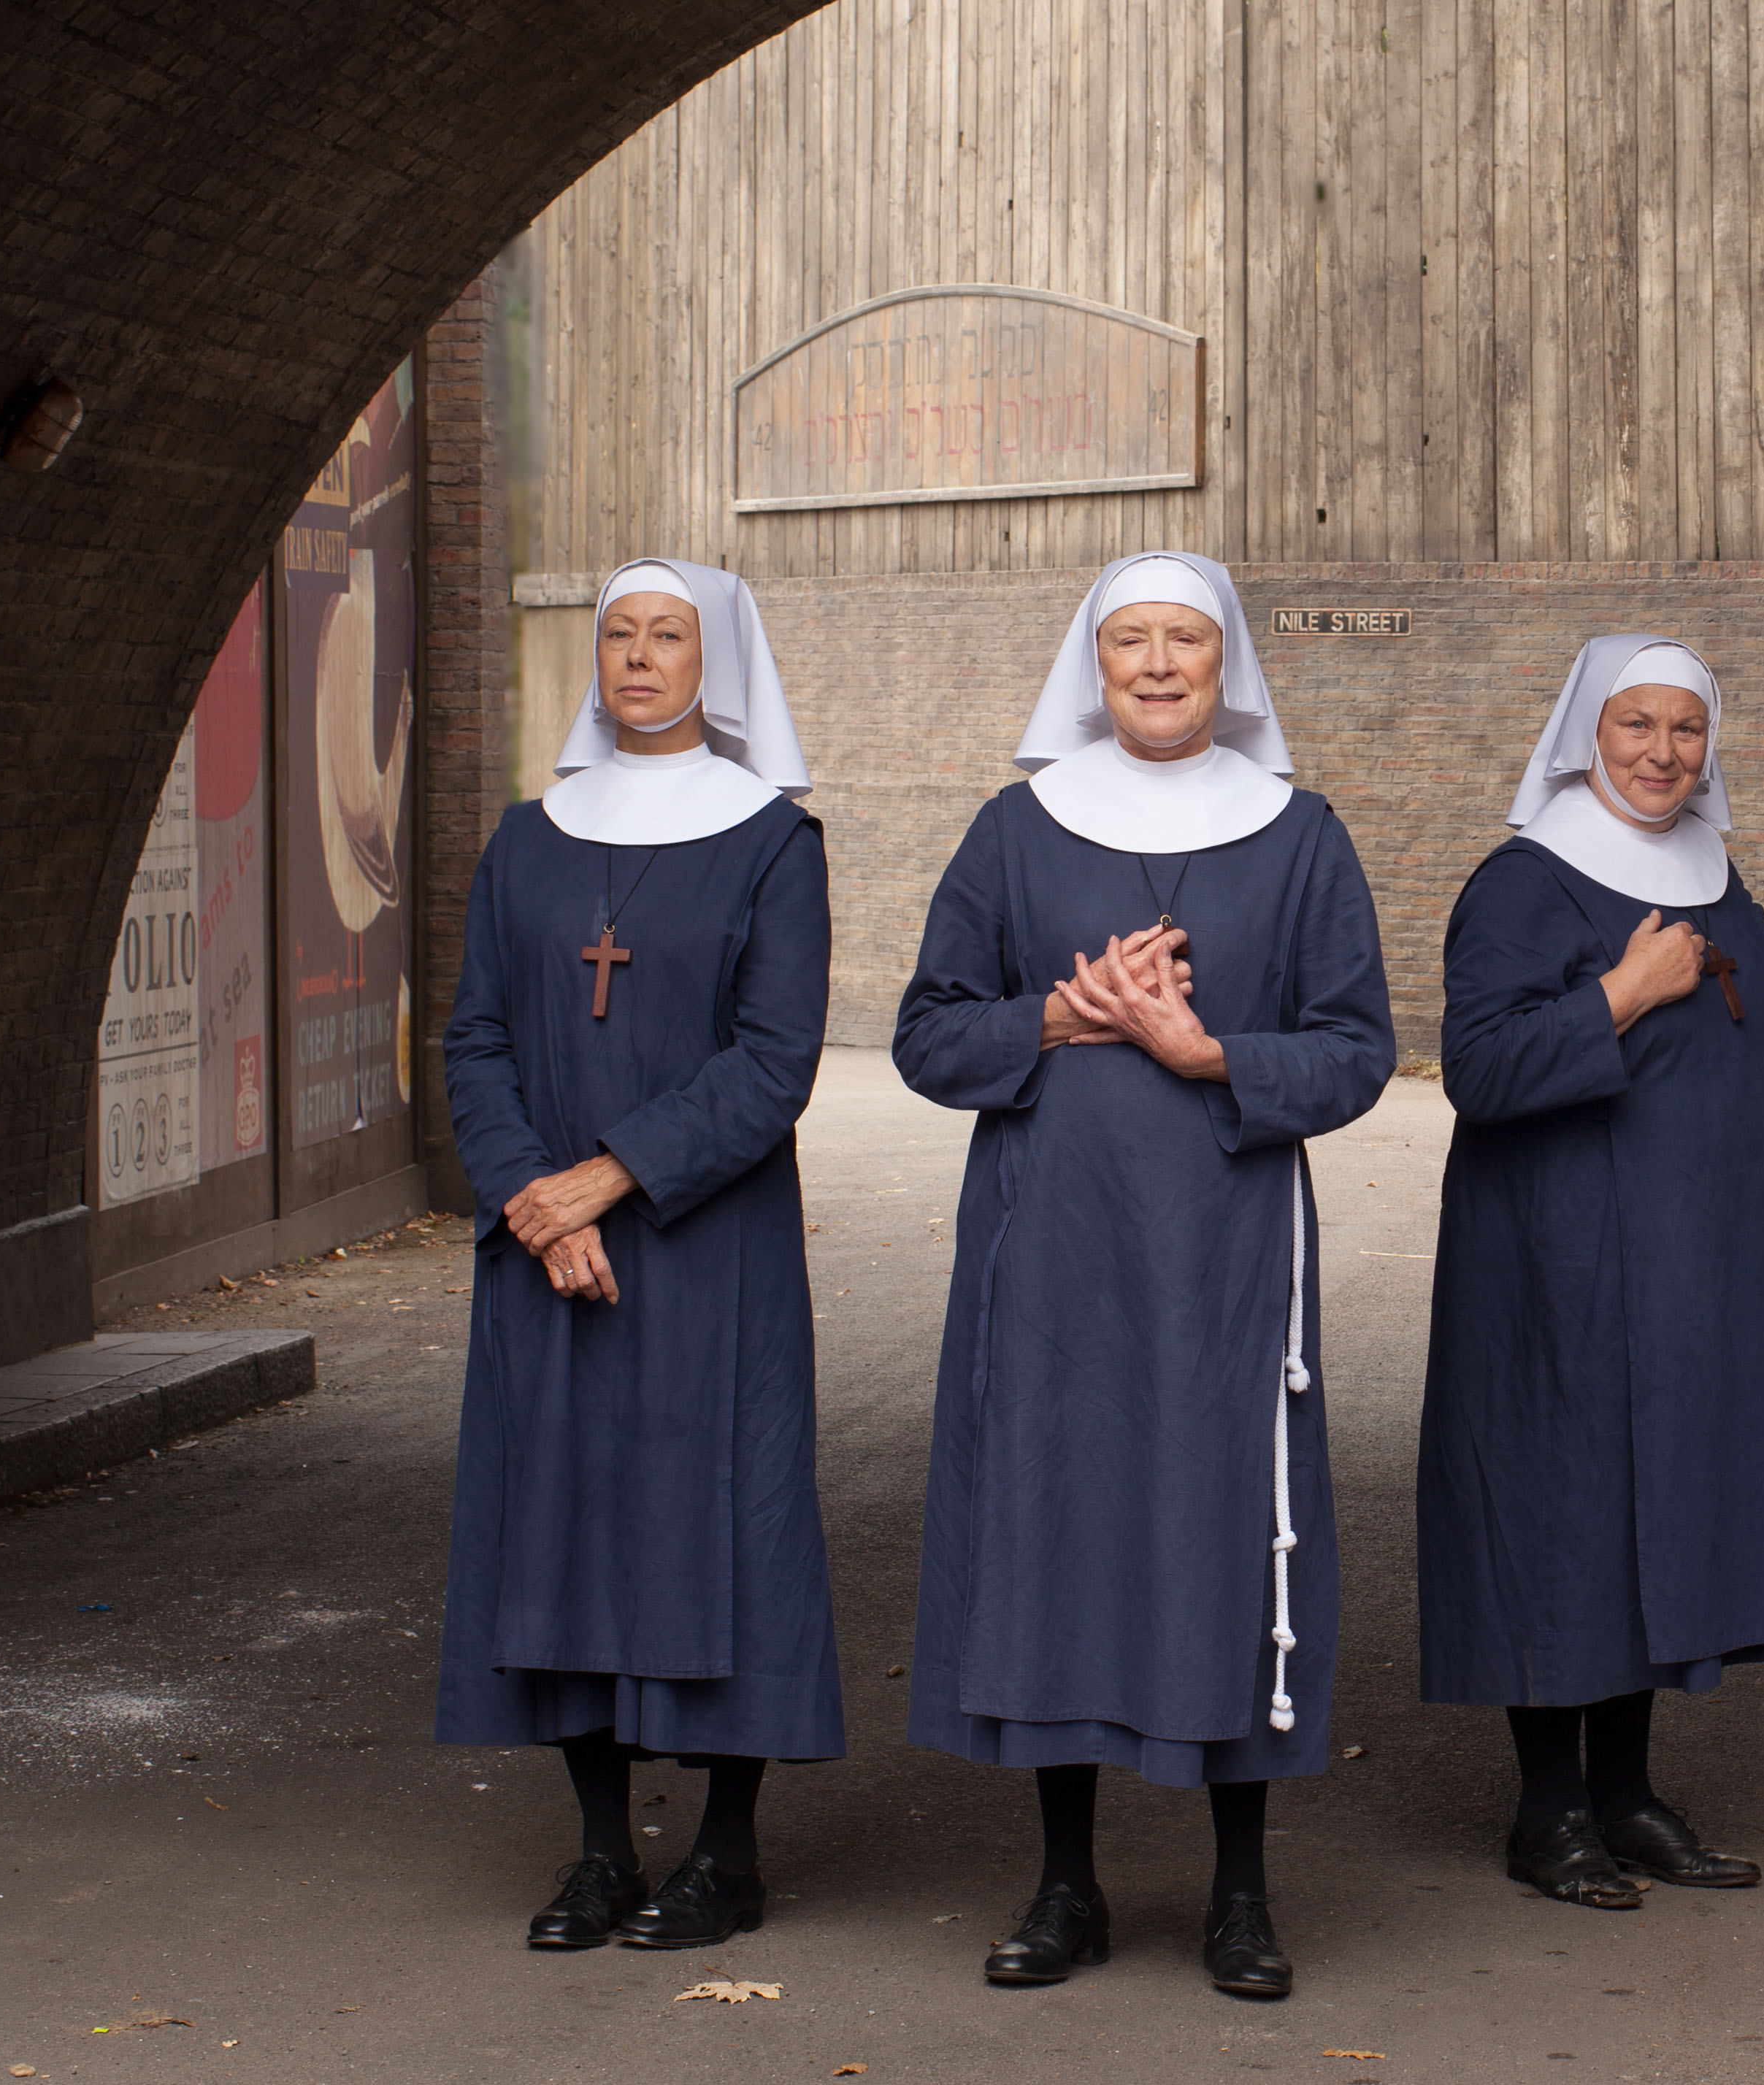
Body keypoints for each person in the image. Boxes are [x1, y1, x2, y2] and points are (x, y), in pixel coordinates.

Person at [895, 553, 1394, 2000]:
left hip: (1227, 1253)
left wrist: (1207, 1054)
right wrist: (1057, 1015)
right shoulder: (1014, 831)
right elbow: (928, 1034)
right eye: (1133, 643)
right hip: (1051, 1249)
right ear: (1093, 665)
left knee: (1229, 1530)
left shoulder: (1300, 839)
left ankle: (1242, 1895)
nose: (1162, 664)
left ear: (1227, 663)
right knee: (1062, 1527)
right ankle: (1067, 1886)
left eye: (1187, 640)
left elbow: (1359, 1048)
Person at [439, 559, 836, 1951]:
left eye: (670, 637)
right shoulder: (527, 837)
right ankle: (602, 1852)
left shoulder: (774, 843)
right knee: (562, 1530)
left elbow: (778, 1058)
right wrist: (531, 1201)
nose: (640, 658)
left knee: (721, 1525)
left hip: (703, 1245)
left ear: (717, 665)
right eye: (618, 635)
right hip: (545, 1248)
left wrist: (606, 1181)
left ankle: (725, 1856)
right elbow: (475, 1035)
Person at [1418, 635, 1764, 1911]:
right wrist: (1619, 996)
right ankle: (1549, 1814)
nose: (1662, 753)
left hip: (1703, 1249)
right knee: (1565, 1510)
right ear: (1586, 733)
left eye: (1687, 731)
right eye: (1636, 726)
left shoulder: (1720, 873)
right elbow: (1478, 1072)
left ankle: (1629, 1796)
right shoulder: (1523, 884)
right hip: (1561, 1253)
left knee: (1662, 1506)